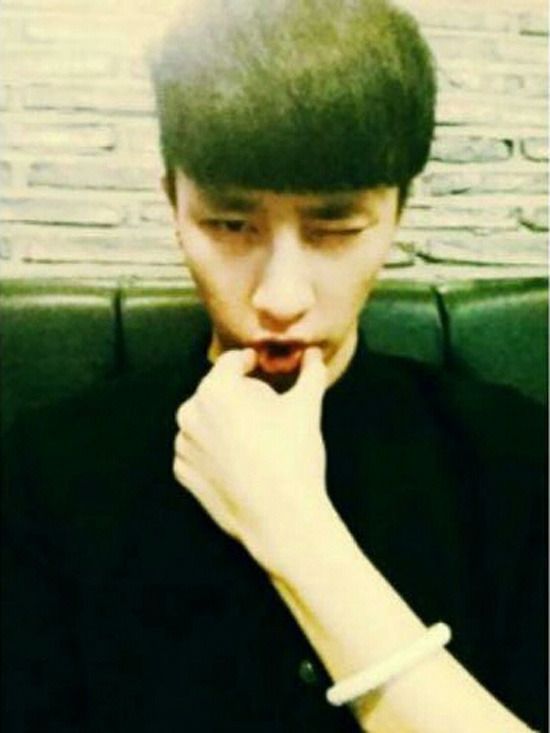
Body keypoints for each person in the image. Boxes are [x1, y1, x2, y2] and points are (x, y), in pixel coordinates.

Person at [2, 1, 546, 731]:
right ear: (173, 203)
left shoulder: (513, 457)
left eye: (335, 229)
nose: (281, 297)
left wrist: (292, 527)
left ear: (398, 213)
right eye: (230, 225)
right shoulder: (49, 469)